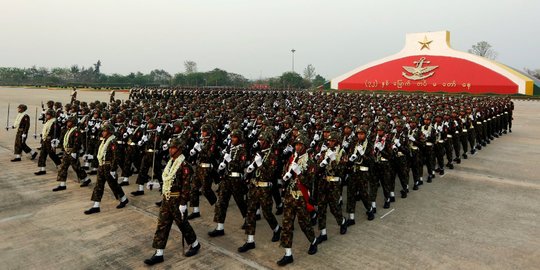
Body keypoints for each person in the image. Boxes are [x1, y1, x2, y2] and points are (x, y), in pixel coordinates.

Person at [144, 138, 201, 265]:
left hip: (177, 200)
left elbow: (186, 187)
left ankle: (195, 244)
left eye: (173, 148)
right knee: (162, 225)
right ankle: (159, 253)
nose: (170, 150)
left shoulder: (185, 166)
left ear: (180, 149)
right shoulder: (170, 163)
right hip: (167, 198)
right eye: (170, 147)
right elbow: (167, 180)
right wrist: (157, 186)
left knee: (183, 224)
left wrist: (183, 203)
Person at [278, 135, 318, 266]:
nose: (297, 147)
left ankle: (313, 241)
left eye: (300, 144)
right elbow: (285, 174)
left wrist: (299, 172)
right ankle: (288, 254)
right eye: (296, 144)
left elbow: (310, 182)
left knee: (304, 223)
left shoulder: (310, 162)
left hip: (301, 196)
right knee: (287, 224)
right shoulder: (291, 158)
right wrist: (286, 175)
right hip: (290, 195)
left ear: (305, 146)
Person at [238, 132, 281, 253]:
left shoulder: (272, 156)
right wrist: (249, 173)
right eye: (260, 140)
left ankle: (277, 229)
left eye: (263, 140)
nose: (260, 142)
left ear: (268, 141)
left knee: (267, 213)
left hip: (264, 188)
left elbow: (269, 175)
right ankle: (250, 240)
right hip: (254, 187)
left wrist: (260, 164)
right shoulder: (258, 154)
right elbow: (253, 169)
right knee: (250, 213)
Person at [208, 129, 248, 237]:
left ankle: (247, 219)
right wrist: (223, 164)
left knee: (240, 202)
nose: (232, 139)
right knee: (221, 202)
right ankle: (220, 227)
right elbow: (225, 160)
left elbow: (241, 166)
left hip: (236, 180)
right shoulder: (230, 148)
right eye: (232, 137)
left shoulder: (242, 150)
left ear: (239, 138)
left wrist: (230, 161)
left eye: (234, 137)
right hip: (226, 179)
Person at [84, 122, 129, 214]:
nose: (102, 133)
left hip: (108, 166)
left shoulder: (113, 142)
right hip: (102, 166)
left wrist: (113, 169)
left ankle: (123, 199)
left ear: (109, 132)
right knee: (98, 186)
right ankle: (96, 205)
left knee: (113, 185)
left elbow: (116, 157)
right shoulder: (104, 141)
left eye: (105, 131)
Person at [53, 116, 91, 191]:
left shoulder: (76, 131)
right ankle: (62, 184)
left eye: (69, 122)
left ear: (73, 123)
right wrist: (58, 144)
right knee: (63, 167)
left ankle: (86, 179)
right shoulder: (68, 130)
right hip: (66, 152)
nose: (67, 123)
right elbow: (65, 140)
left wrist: (74, 152)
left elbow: (77, 143)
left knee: (76, 167)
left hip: (72, 152)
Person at [35, 109, 62, 175]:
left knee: (52, 154)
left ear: (51, 115)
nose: (46, 115)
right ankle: (42, 169)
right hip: (45, 140)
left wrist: (54, 142)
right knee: (42, 155)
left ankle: (60, 166)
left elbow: (56, 133)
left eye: (48, 114)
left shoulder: (55, 123)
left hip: (50, 141)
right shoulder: (48, 121)